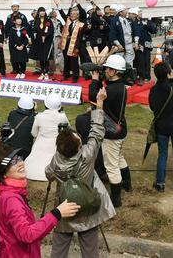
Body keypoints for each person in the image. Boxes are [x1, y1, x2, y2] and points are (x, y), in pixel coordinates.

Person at [45, 86, 114, 258]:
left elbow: (48, 174)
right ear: (78, 147)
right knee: (90, 246)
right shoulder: (87, 155)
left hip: (64, 207)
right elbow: (97, 132)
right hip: (87, 205)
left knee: (59, 246)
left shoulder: (57, 159)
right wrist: (99, 104)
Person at [0, 147, 80, 258]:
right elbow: (27, 235)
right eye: (13, 162)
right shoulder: (11, 199)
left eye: (19, 158)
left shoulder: (9, 192)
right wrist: (57, 213)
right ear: (4, 174)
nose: (20, 163)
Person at [148, 61, 173, 192]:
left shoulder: (153, 90)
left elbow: (153, 107)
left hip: (162, 127)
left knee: (162, 154)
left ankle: (160, 183)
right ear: (168, 73)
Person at [101, 54, 129, 206]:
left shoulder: (110, 90)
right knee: (119, 158)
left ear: (114, 71)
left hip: (112, 132)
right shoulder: (121, 86)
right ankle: (127, 184)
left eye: (107, 68)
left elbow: (95, 98)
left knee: (111, 166)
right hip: (121, 128)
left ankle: (116, 199)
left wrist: (94, 82)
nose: (105, 70)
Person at [24, 92, 69, 181]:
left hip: (41, 144)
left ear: (46, 104)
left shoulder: (39, 116)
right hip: (56, 144)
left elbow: (34, 133)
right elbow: (68, 130)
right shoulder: (62, 116)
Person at [59, 4, 85, 83]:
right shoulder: (68, 22)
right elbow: (63, 14)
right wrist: (58, 5)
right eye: (71, 14)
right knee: (66, 60)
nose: (72, 15)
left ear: (78, 16)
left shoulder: (81, 25)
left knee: (74, 61)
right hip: (66, 45)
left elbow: (80, 38)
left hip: (74, 45)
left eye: (74, 14)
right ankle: (66, 75)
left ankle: (75, 76)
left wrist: (77, 47)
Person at [29, 8, 55, 80]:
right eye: (41, 11)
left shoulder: (48, 20)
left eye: (43, 11)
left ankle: (46, 72)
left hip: (46, 41)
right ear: (39, 13)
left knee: (45, 57)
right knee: (40, 57)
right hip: (38, 41)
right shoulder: (36, 20)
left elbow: (51, 30)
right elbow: (34, 30)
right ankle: (42, 72)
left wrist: (45, 36)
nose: (42, 13)